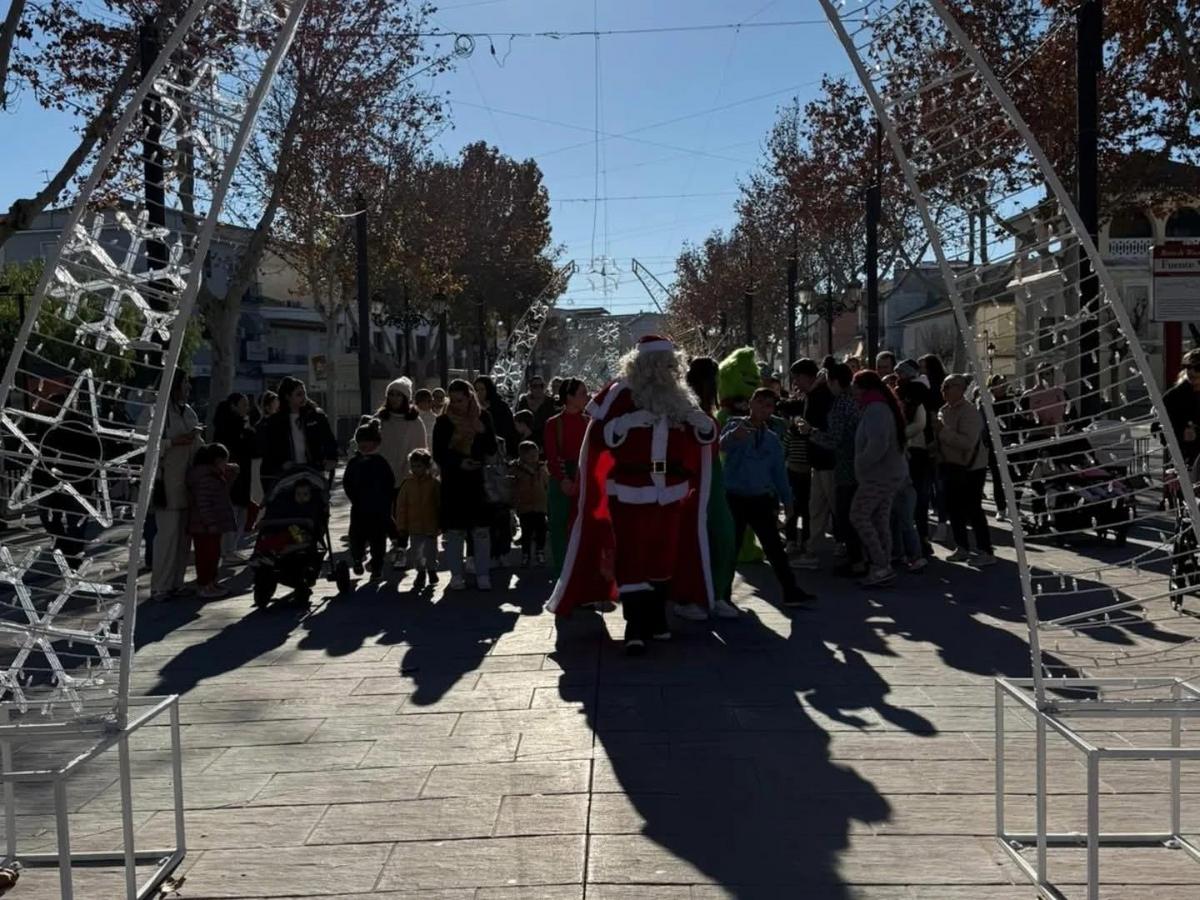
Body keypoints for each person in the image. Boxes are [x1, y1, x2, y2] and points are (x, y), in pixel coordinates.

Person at [547, 335, 718, 654]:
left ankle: (656, 618)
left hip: (670, 490)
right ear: (641, 365)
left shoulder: (680, 396)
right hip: (630, 489)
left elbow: (705, 437)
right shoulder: (622, 392)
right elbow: (599, 434)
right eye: (658, 364)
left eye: (669, 365)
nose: (664, 371)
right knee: (632, 556)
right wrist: (627, 422)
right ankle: (634, 624)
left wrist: (702, 423)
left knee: (664, 555)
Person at [721, 388, 816, 608]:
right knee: (730, 549)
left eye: (769, 405)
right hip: (734, 497)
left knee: (774, 548)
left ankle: (791, 591)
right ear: (751, 403)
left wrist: (788, 501)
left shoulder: (772, 439)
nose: (763, 408)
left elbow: (779, 474)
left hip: (760, 499)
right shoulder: (734, 426)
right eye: (760, 402)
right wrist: (733, 437)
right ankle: (722, 594)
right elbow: (719, 446)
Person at [433, 379, 498, 590]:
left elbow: (492, 448)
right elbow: (439, 453)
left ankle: (482, 573)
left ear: (470, 398)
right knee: (455, 532)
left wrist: (483, 431)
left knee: (481, 531)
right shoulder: (444, 421)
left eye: (460, 400)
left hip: (478, 481)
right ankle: (456, 575)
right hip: (454, 482)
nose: (456, 405)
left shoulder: (483, 417)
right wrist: (459, 462)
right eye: (452, 400)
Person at [687, 356, 738, 619]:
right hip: (696, 479)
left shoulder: (705, 410)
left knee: (722, 535)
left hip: (713, 476)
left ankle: (715, 593)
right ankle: (692, 597)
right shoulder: (688, 410)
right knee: (699, 538)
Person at [802, 363, 863, 576]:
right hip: (849, 463)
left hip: (842, 465)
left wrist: (810, 432)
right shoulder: (852, 401)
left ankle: (856, 559)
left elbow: (833, 439)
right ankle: (854, 557)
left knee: (845, 513)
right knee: (838, 510)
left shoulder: (840, 404)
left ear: (834, 381)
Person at [849, 370, 909, 587]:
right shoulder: (879, 406)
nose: (852, 391)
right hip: (888, 473)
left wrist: (860, 463)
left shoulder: (876, 409)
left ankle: (880, 563)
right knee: (879, 518)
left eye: (854, 385)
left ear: (863, 388)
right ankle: (883, 566)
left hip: (879, 474)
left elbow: (878, 444)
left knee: (859, 515)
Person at [152, 371, 201, 601]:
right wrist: (172, 442)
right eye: (185, 382)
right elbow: (143, 444)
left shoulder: (188, 411)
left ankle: (177, 583)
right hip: (166, 484)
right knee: (167, 537)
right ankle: (160, 587)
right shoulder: (156, 411)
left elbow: (198, 444)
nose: (188, 387)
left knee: (183, 539)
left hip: (188, 484)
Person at [938, 374, 996, 566]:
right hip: (950, 465)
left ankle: (985, 551)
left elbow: (967, 442)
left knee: (973, 509)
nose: (944, 390)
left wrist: (942, 432)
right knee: (954, 509)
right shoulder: (944, 410)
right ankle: (961, 547)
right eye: (943, 386)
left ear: (960, 389)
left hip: (971, 467)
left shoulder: (969, 412)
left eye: (948, 386)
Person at [376, 377, 428, 561]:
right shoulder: (380, 419)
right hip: (382, 475)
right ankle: (394, 540)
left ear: (406, 398)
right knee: (383, 512)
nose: (394, 398)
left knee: (403, 513)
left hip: (406, 474)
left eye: (398, 395)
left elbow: (421, 448)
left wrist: (419, 471)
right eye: (391, 394)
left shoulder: (415, 422)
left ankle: (401, 548)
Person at [259, 377, 338, 493]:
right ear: (287, 396)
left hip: (313, 471)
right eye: (299, 394)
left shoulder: (316, 416)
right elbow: (270, 449)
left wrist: (331, 458)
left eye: (304, 393)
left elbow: (328, 439)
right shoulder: (275, 421)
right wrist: (282, 463)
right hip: (287, 475)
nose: (303, 397)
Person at [543, 378, 589, 576]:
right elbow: (552, 456)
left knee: (583, 524)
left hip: (584, 478)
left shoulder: (589, 422)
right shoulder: (554, 423)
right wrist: (563, 479)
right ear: (569, 397)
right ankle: (562, 571)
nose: (587, 397)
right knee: (559, 526)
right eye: (582, 393)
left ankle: (581, 570)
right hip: (562, 478)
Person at [186, 442, 239, 599]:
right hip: (205, 525)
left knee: (214, 555)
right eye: (224, 461)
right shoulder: (205, 478)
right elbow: (203, 503)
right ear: (217, 461)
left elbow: (225, 487)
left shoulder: (214, 475)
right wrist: (211, 523)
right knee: (206, 556)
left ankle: (211, 582)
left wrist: (230, 471)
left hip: (211, 524)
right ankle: (205, 585)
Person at [343, 420, 395, 578]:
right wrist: (354, 498)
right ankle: (357, 559)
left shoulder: (380, 462)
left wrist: (385, 501)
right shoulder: (354, 462)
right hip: (359, 507)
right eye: (361, 442)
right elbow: (347, 482)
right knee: (356, 536)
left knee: (378, 539)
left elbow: (389, 482)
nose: (363, 445)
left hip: (378, 508)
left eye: (367, 441)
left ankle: (377, 566)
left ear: (376, 443)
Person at [781, 359, 818, 564]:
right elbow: (784, 450)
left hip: (805, 472)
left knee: (805, 508)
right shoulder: (792, 433)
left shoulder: (807, 432)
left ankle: (803, 540)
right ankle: (792, 540)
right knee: (793, 507)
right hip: (793, 472)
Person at [212, 392, 257, 560]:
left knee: (240, 513)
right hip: (232, 477)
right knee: (232, 513)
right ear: (233, 406)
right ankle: (228, 550)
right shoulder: (229, 427)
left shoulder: (241, 426)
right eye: (243, 404)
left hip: (242, 475)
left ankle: (231, 548)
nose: (247, 408)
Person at [896, 377, 933, 558]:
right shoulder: (911, 407)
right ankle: (918, 541)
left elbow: (919, 426)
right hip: (915, 455)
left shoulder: (918, 407)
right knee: (916, 502)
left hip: (918, 455)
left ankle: (920, 541)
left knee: (917, 501)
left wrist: (899, 435)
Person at [393, 447, 441, 586]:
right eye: (413, 466)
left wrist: (441, 523)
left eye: (419, 466)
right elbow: (401, 507)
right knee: (416, 552)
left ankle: (431, 570)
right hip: (414, 526)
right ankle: (420, 572)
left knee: (431, 551)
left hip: (431, 524)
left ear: (427, 466)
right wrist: (401, 525)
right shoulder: (407, 484)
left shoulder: (434, 484)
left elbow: (439, 504)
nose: (415, 469)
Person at [512, 440, 549, 567]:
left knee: (541, 530)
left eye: (536, 454)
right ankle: (525, 554)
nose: (534, 457)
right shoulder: (517, 469)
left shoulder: (542, 468)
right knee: (526, 532)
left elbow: (547, 483)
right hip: (525, 506)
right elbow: (513, 487)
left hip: (540, 505)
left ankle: (540, 551)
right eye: (530, 455)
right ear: (522, 456)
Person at [516, 376, 556, 449]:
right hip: (527, 439)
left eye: (541, 386)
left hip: (545, 439)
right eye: (535, 386)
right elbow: (518, 419)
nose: (538, 389)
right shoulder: (524, 401)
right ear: (530, 388)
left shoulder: (550, 402)